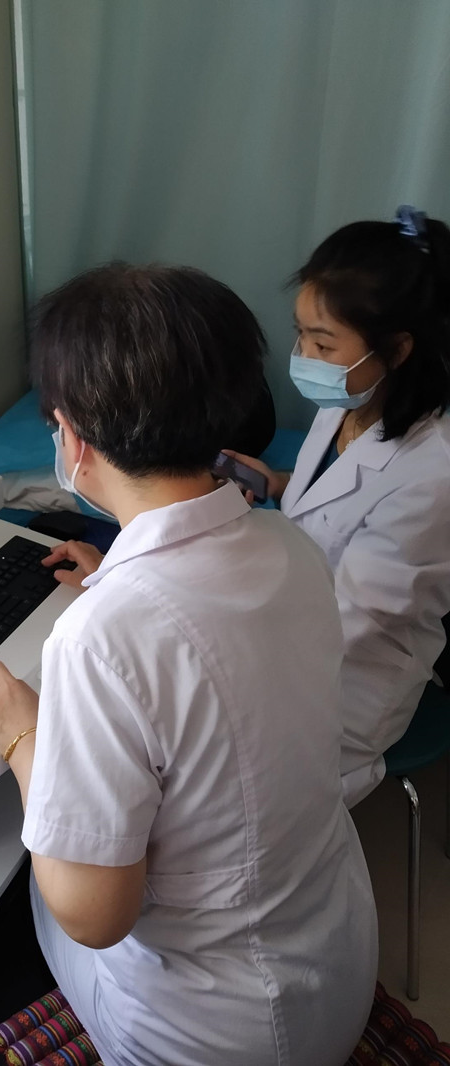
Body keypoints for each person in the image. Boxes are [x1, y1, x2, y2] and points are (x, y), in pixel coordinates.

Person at [0, 263, 377, 1066]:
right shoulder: (289, 545)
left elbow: (94, 918)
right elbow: (199, 637)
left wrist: (20, 736)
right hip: (334, 967)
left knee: (25, 892)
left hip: (214, 1037)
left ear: (72, 439)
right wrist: (112, 577)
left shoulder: (98, 639)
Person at [229, 207, 450, 808]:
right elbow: (332, 497)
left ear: (396, 349)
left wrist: (222, 619)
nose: (303, 354)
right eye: (301, 333)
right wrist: (278, 483)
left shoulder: (430, 477)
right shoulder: (348, 403)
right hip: (293, 615)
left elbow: (352, 623)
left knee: (229, 781)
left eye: (323, 343)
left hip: (349, 678)